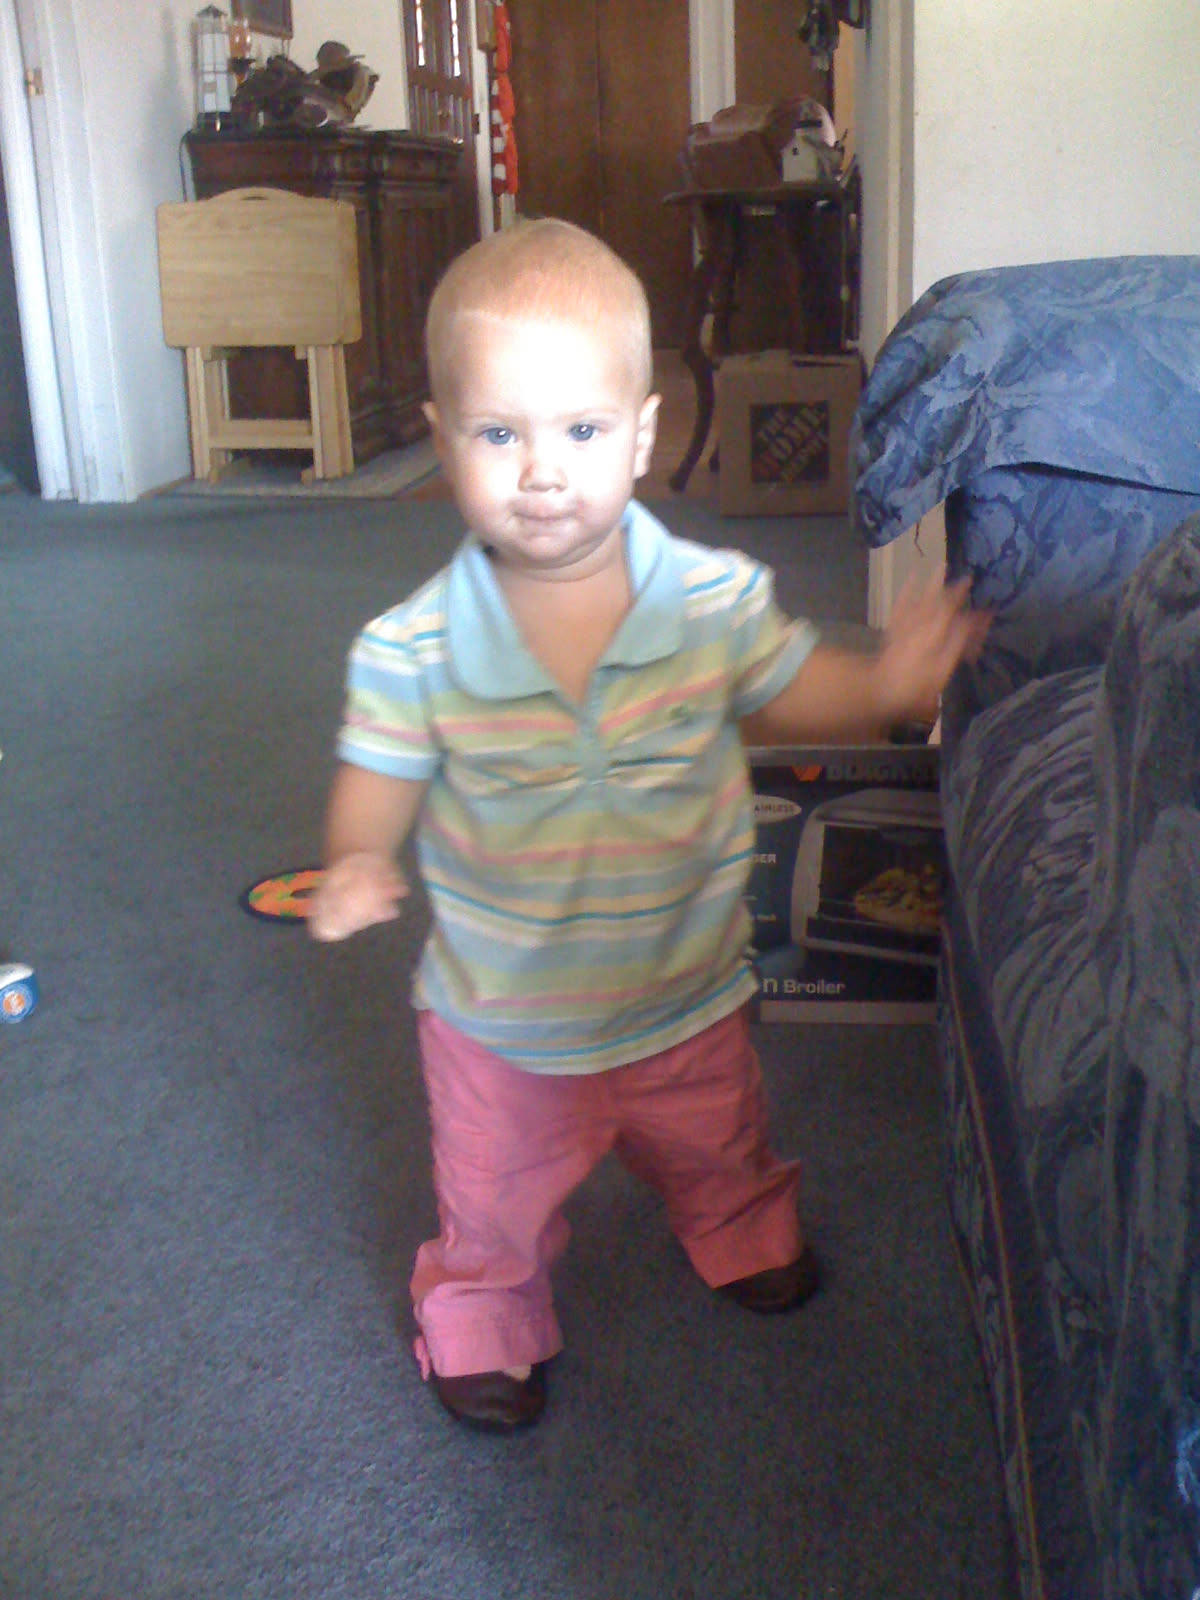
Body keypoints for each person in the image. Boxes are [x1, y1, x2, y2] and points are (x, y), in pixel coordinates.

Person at [308, 218, 988, 1433]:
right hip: (502, 1023)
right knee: (493, 1196)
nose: (542, 472)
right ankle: (484, 1312)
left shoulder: (705, 600)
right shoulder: (413, 644)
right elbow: (380, 764)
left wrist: (883, 683)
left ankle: (736, 1225)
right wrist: (357, 852)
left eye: (580, 430)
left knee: (717, 1137)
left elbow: (785, 682)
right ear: (441, 439)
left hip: (684, 989)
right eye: (499, 434)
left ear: (641, 434)